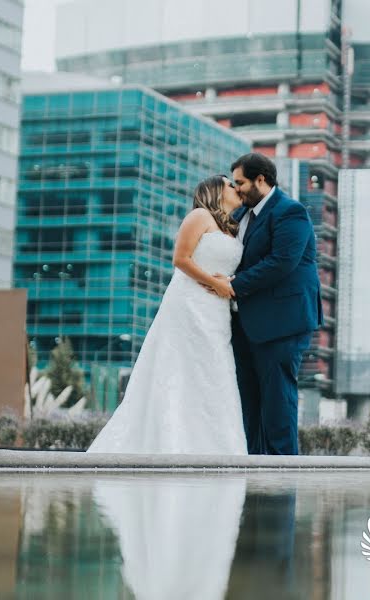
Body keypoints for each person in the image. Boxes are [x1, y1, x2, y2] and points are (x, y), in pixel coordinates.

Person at [87, 175, 247, 455]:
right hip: (189, 304)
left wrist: (229, 283)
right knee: (180, 369)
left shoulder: (234, 228)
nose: (236, 188)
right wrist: (216, 283)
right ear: (214, 192)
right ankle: (172, 444)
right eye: (230, 184)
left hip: (217, 313)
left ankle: (216, 447)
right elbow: (181, 260)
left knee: (214, 372)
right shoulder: (199, 216)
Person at [218, 153, 323, 455]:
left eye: (240, 183)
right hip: (245, 324)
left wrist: (232, 285)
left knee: (278, 402)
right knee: (248, 404)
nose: (236, 190)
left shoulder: (291, 212)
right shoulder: (238, 217)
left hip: (282, 322)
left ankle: (282, 476)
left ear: (260, 180)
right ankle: (253, 473)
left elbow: (281, 262)